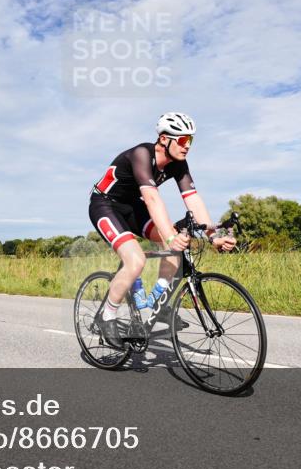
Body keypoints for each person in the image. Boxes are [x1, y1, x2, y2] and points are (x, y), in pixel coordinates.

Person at [88, 112, 236, 348]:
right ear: (165, 139)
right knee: (136, 260)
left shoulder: (179, 164)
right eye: (183, 140)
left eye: (191, 140)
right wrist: (169, 235)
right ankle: (107, 316)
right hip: (105, 205)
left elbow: (193, 199)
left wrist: (213, 236)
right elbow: (152, 199)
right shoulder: (141, 154)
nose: (187, 146)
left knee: (173, 251)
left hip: (132, 207)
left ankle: (161, 306)